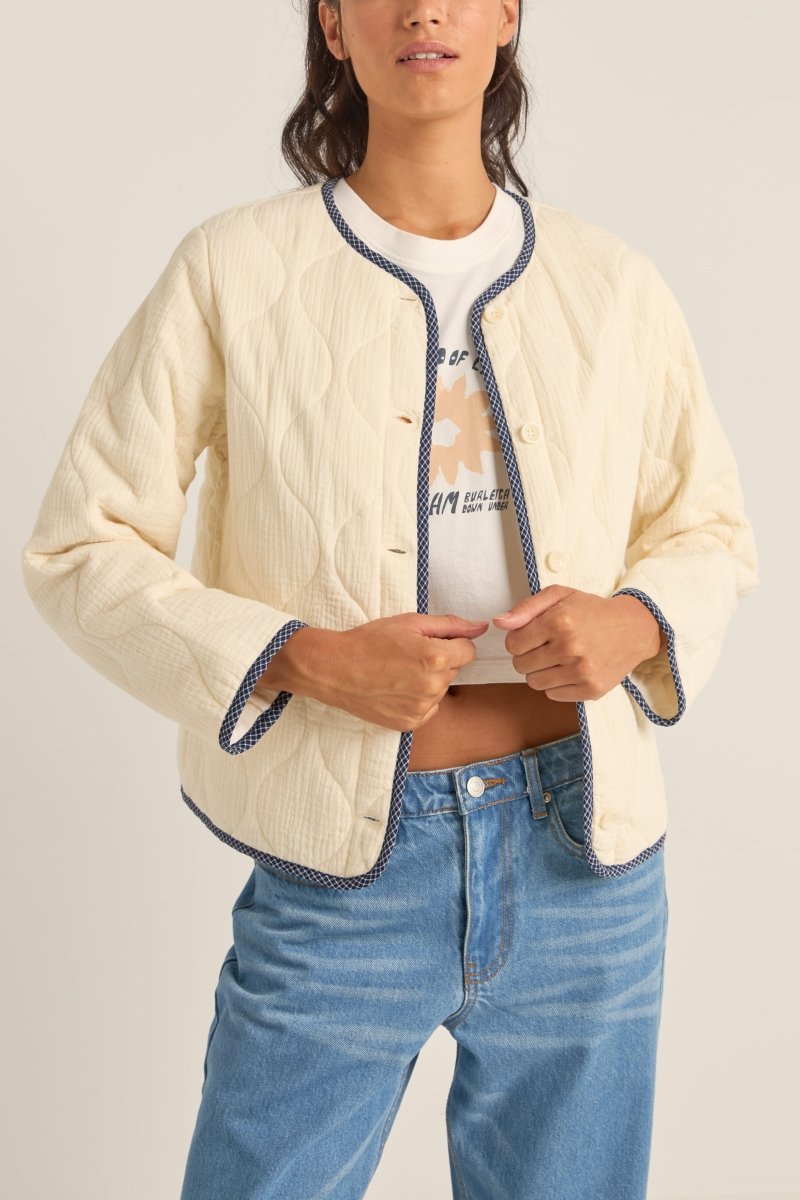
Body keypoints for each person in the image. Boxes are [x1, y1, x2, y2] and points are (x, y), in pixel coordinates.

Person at [20, 2, 759, 1197]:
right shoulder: (233, 271)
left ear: (507, 15)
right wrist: (298, 655)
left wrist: (632, 624)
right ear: (332, 23)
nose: (424, 8)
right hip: (341, 870)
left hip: (587, 867)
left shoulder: (610, 284)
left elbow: (708, 529)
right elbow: (79, 545)